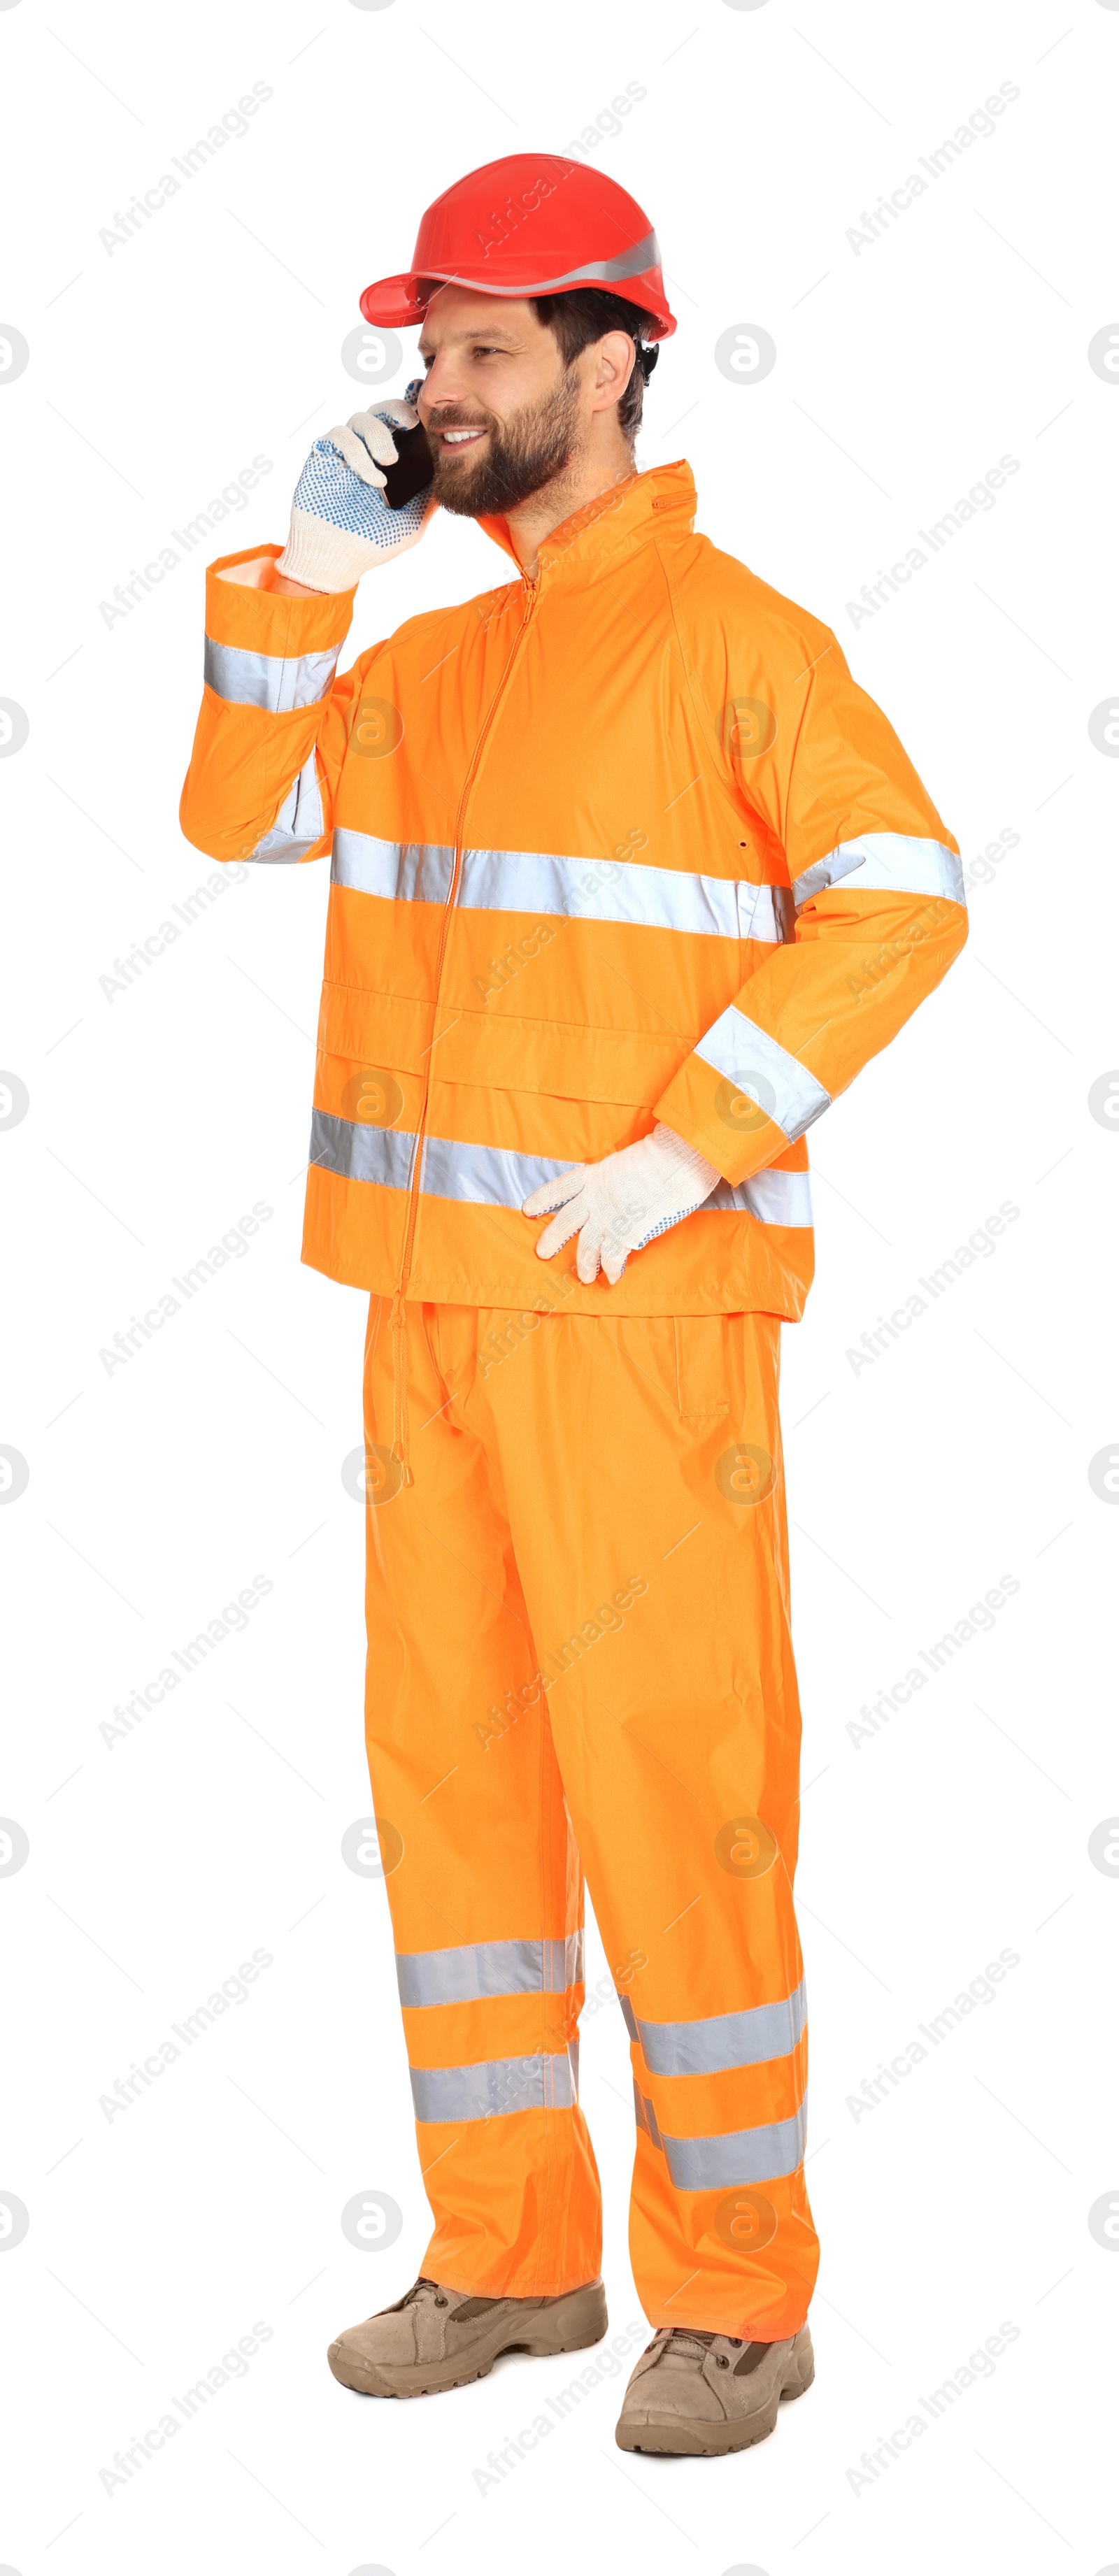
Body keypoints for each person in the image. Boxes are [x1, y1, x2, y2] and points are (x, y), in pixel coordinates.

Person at [180, 152, 967, 2458]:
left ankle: (737, 2297)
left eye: (487, 351)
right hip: (426, 1314)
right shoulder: (426, 659)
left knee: (675, 1781)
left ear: (617, 353)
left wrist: (697, 1135)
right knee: (454, 1786)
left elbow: (904, 893)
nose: (439, 391)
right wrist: (302, 583)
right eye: (425, 355)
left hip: (635, 1314)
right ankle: (509, 2253)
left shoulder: (741, 644)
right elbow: (235, 819)